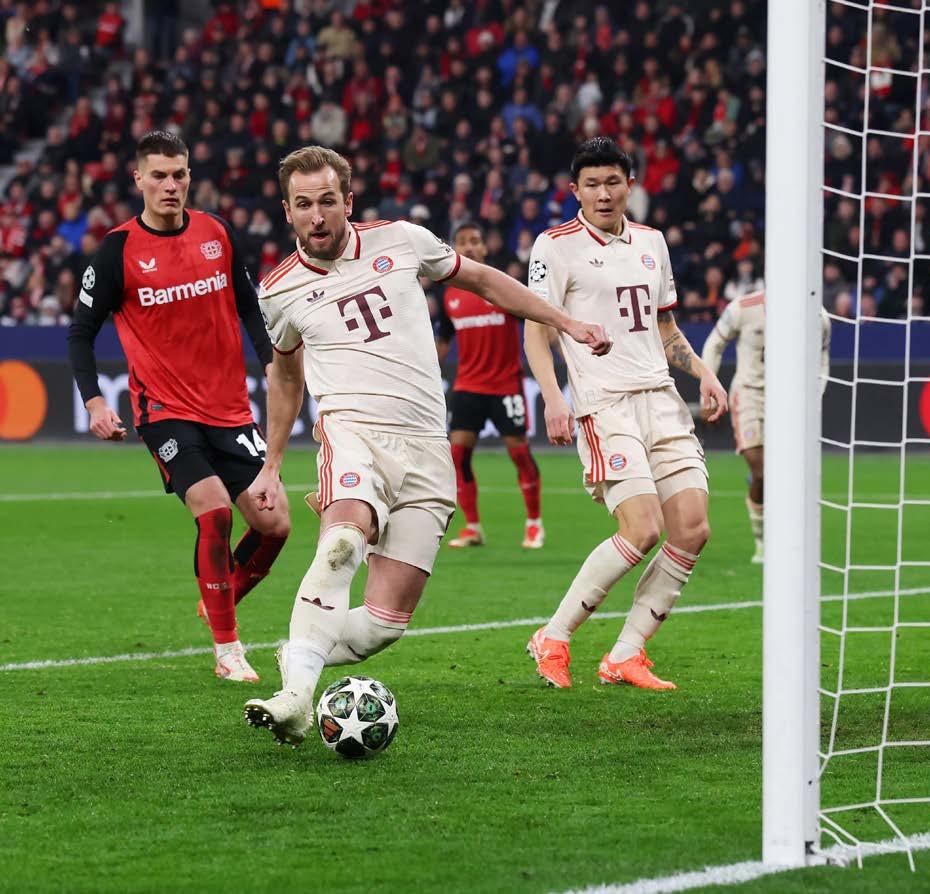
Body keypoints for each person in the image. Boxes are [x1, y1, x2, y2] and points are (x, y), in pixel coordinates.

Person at [242, 146, 610, 746]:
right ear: (287, 211)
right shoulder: (278, 290)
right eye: (303, 204)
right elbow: (285, 377)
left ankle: (302, 649)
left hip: (425, 448)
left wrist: (564, 323)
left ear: (348, 202)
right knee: (342, 542)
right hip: (352, 433)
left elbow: (483, 279)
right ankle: (296, 699)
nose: (317, 215)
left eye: (328, 201)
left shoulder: (402, 240)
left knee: (383, 624)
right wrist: (273, 463)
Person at [67, 130, 291, 683]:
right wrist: (94, 401)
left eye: (179, 174)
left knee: (275, 524)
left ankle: (219, 596)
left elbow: (249, 306)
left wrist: (270, 361)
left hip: (231, 409)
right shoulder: (117, 250)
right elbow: (81, 332)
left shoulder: (217, 232)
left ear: (190, 176)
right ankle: (227, 648)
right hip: (164, 411)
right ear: (138, 179)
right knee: (214, 512)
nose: (171, 185)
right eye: (159, 176)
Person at [523, 137, 728, 691]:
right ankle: (554, 636)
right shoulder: (554, 246)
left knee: (693, 528)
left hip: (660, 399)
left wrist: (704, 372)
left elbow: (664, 327)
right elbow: (536, 330)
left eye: (613, 181)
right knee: (642, 528)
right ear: (575, 191)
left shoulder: (652, 242)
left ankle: (626, 653)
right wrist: (554, 397)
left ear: (629, 185)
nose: (603, 193)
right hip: (604, 404)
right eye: (592, 184)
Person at [701, 288, 831, 563]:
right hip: (749, 395)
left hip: (791, 400)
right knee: (761, 472)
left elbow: (821, 360)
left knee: (787, 475)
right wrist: (708, 394)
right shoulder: (743, 308)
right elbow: (714, 344)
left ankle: (786, 536)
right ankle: (763, 543)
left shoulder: (817, 316)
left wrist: (815, 398)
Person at [436, 220, 544, 550]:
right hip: (467, 386)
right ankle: (472, 528)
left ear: (485, 247)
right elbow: (443, 340)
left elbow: (535, 322)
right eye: (462, 241)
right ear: (454, 249)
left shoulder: (501, 286)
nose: (468, 247)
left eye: (475, 241)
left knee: (520, 453)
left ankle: (534, 524)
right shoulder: (449, 293)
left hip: (505, 386)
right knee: (458, 455)